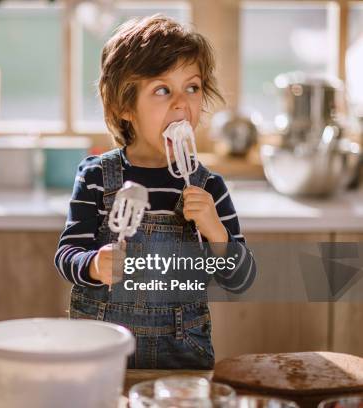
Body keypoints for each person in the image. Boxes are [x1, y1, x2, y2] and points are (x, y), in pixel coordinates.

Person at [54, 14, 256, 369]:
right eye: (162, 90)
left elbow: (241, 279)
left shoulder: (208, 187)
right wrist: (94, 265)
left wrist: (216, 232)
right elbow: (66, 254)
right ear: (124, 107)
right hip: (100, 353)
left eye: (191, 87)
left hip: (182, 359)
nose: (181, 103)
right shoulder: (97, 177)